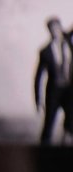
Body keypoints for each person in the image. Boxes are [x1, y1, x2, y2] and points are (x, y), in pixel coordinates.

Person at [35, 16, 72, 145]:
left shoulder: (68, 40)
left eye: (57, 28)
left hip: (69, 92)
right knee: (48, 125)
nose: (55, 32)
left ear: (61, 28)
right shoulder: (45, 51)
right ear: (49, 31)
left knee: (70, 124)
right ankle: (44, 152)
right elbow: (38, 77)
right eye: (52, 29)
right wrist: (38, 99)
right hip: (54, 93)